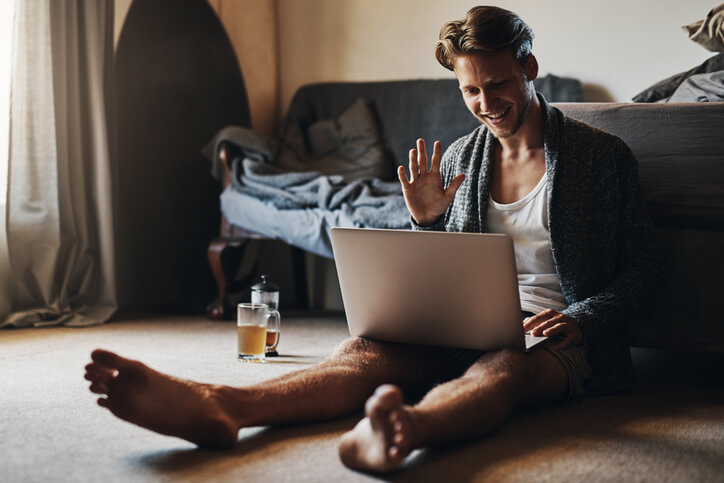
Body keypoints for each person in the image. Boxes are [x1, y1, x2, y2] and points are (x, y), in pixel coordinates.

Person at [84, 6, 658, 473]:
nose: (486, 104)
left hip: (554, 337)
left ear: (529, 66)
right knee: (359, 354)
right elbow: (448, 272)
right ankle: (224, 405)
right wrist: (427, 222)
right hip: (465, 327)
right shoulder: (460, 157)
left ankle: (406, 430)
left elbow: (642, 270)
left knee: (499, 371)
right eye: (470, 92)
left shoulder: (600, 158)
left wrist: (581, 318)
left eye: (498, 84)